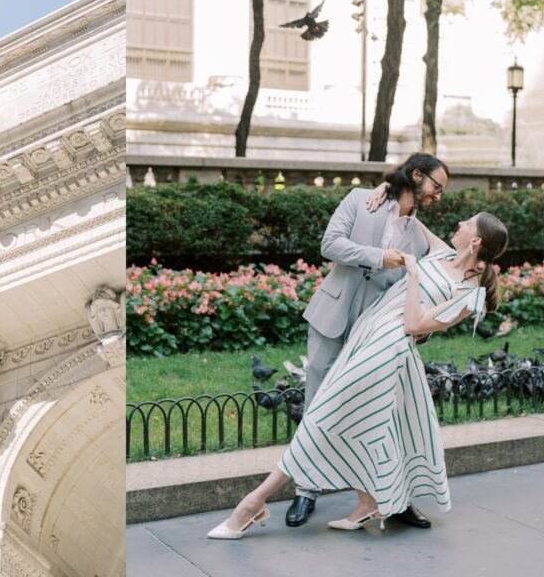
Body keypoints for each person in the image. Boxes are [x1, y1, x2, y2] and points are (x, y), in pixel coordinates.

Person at [207, 211, 508, 539]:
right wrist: (388, 189)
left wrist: (414, 276)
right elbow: (412, 216)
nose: (460, 223)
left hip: (387, 349)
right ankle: (368, 503)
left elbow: (414, 325)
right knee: (372, 426)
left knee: (322, 419)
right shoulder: (442, 253)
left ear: (475, 240)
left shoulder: (469, 293)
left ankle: (252, 504)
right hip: (366, 339)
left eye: (468, 223)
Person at [284, 153, 450, 530]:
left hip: (375, 335)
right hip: (332, 317)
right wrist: (379, 257)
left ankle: (394, 499)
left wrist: (421, 323)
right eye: (436, 187)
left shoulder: (419, 235)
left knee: (382, 414)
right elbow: (330, 244)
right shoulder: (361, 200)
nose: (438, 196)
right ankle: (305, 491)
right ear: (417, 176)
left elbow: (419, 284)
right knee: (317, 402)